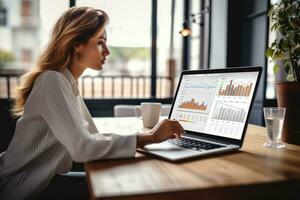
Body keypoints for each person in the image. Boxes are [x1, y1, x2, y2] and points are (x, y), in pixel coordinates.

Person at [0, 6, 185, 200]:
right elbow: (83, 147)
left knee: (130, 180)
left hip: (46, 180)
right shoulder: (51, 81)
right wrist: (150, 138)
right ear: (77, 44)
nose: (107, 51)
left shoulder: (66, 81)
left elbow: (92, 136)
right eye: (100, 43)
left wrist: (144, 138)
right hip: (22, 189)